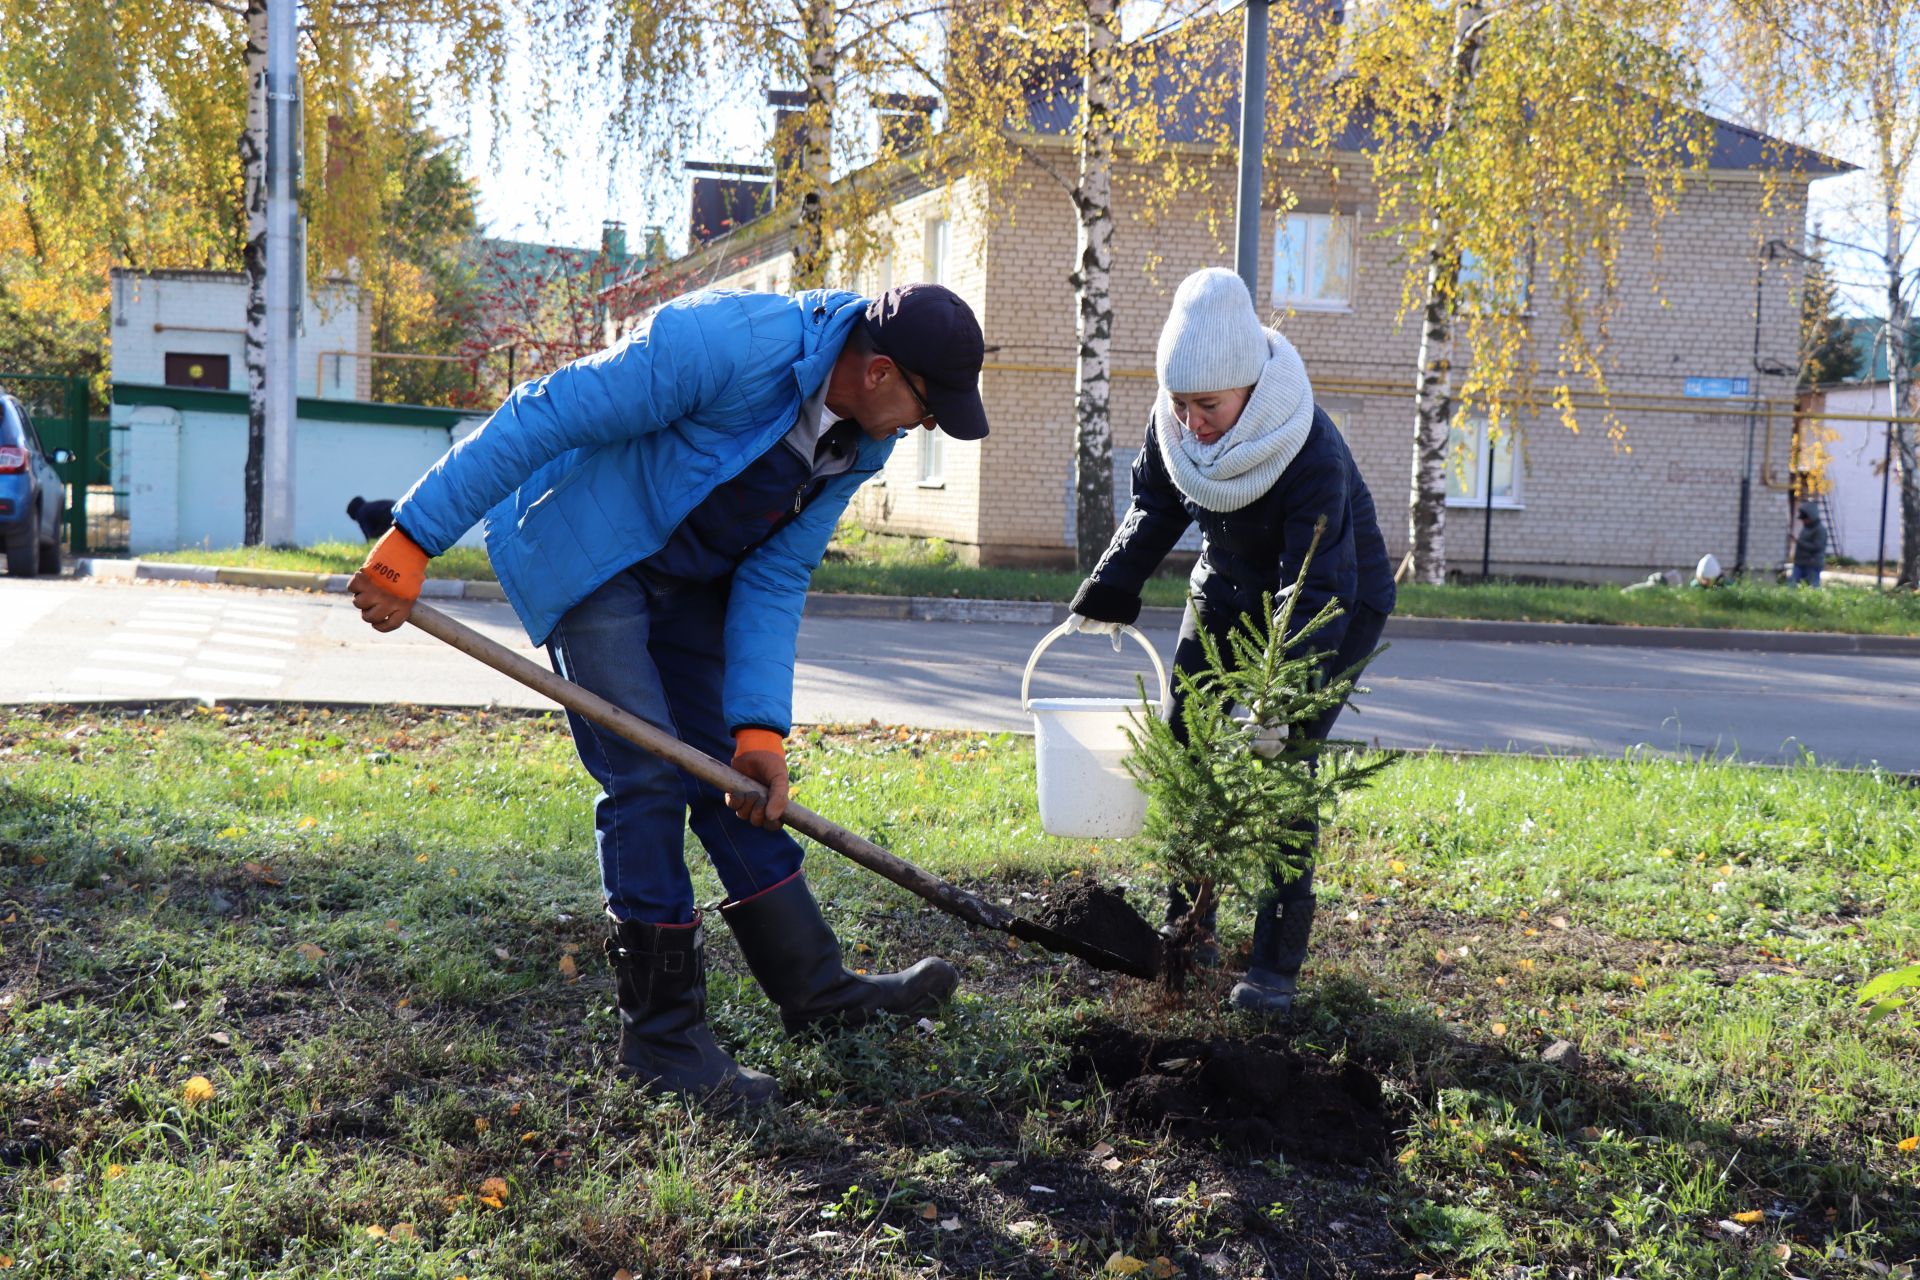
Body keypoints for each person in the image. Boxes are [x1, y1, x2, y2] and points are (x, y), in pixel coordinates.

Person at [346, 283, 989, 1108]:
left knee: (738, 784)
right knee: (647, 775)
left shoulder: (859, 441)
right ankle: (661, 1039)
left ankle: (817, 992)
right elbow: (543, 413)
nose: (923, 428)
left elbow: (778, 569)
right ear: (880, 372)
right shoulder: (727, 345)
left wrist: (758, 728)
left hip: (694, 579)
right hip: (591, 555)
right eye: (927, 410)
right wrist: (414, 535)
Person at [1065, 268, 1395, 1016]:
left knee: (1283, 769)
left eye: (1207, 406)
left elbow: (1314, 587)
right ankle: (1189, 927)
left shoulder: (1309, 449)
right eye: (1180, 405)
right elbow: (1155, 500)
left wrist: (1282, 699)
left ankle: (1275, 966)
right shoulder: (1175, 422)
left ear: (1246, 387)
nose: (1192, 422)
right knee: (1187, 745)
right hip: (1226, 583)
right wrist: (1109, 588)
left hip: (1330, 598)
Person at [1791, 501, 1827, 587]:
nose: (1803, 521)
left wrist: (1799, 542)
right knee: (1791, 586)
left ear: (1811, 517)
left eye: (1805, 519)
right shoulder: (1806, 528)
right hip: (1800, 563)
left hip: (1812, 565)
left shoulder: (1820, 530)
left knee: (1813, 587)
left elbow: (1817, 547)